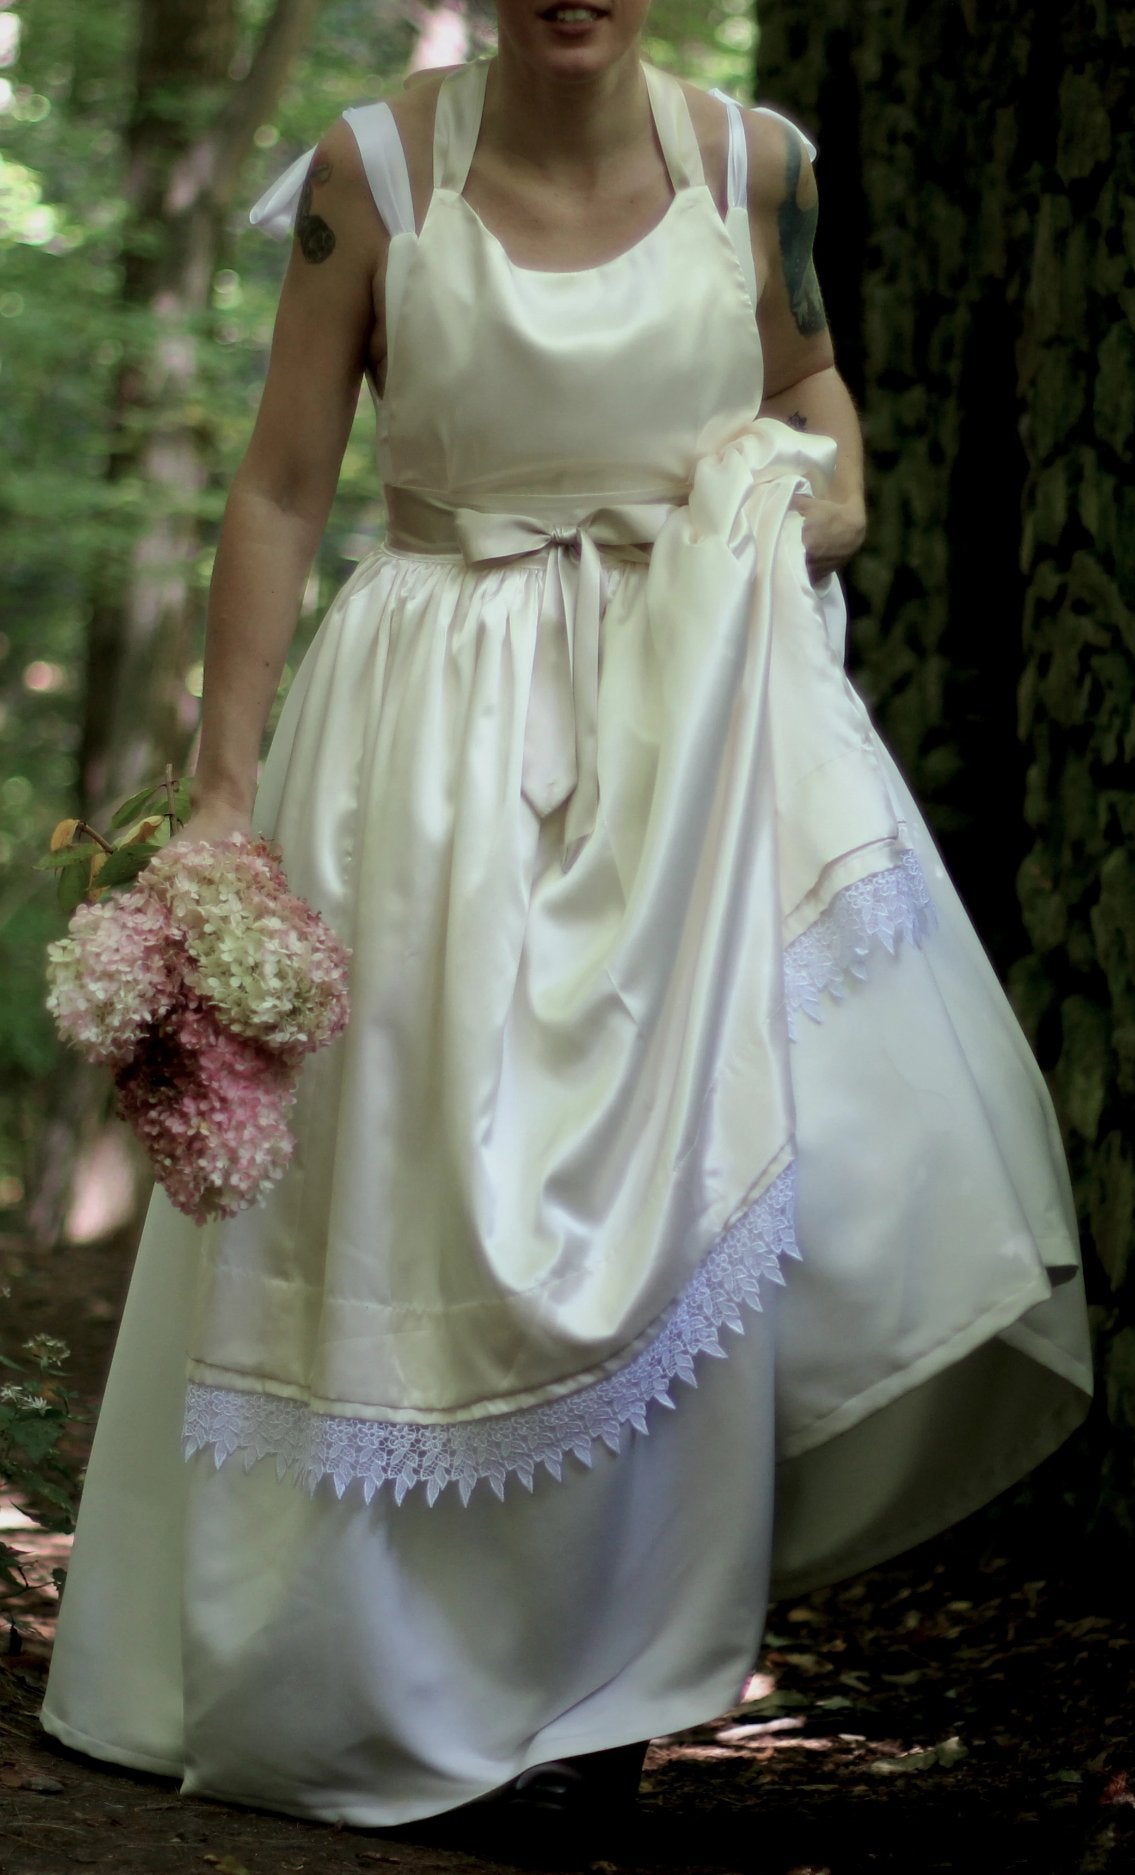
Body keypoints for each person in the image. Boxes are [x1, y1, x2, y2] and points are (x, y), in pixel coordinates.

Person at [42, 0, 1091, 1839]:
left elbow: (810, 391)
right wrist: (220, 793)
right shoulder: (370, 178)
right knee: (416, 1177)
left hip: (682, 731)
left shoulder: (755, 168)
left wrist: (814, 491)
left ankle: (608, 1687)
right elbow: (288, 485)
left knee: (664, 1178)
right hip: (422, 728)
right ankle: (355, 1669)